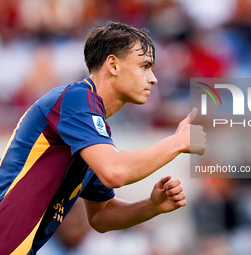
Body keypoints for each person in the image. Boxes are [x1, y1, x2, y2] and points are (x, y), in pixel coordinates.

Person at [0, 21, 206, 255]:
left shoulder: (91, 126)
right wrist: (177, 142)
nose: (153, 78)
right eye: (144, 66)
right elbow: (114, 172)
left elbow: (101, 216)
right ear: (113, 65)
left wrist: (151, 206)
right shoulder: (77, 100)